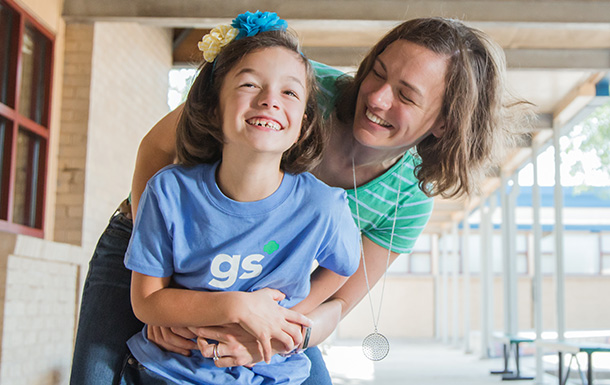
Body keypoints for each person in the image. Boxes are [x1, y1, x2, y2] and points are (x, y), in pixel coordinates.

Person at [70, 15, 530, 385]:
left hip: (259, 288)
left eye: (406, 96)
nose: (377, 97)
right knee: (97, 373)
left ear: (445, 122)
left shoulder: (407, 200)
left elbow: (338, 298)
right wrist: (171, 294)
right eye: (377, 72)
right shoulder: (295, 90)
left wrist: (269, 335)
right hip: (152, 249)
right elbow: (155, 149)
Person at [119, 13, 360, 385]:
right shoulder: (168, 192)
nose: (269, 100)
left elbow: (344, 267)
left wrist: (283, 316)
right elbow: (146, 301)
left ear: (303, 124)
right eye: (249, 85)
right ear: (213, 108)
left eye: (290, 92)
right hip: (171, 371)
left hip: (275, 375)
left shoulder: (324, 206)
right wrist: (238, 305)